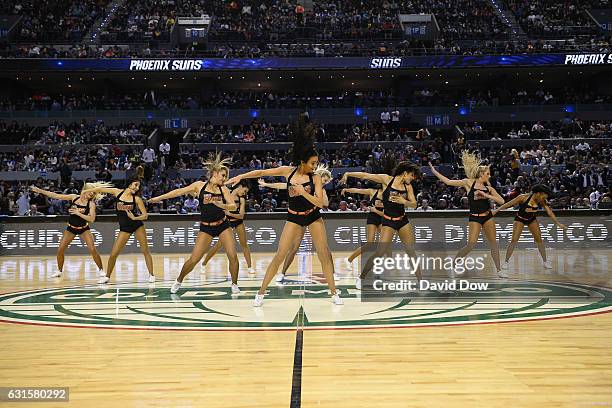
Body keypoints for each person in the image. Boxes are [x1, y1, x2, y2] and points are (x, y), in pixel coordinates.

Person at [226, 114, 342, 306]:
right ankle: (261, 293)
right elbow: (261, 172)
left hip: (313, 217)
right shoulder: (288, 171)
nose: (315, 166)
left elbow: (320, 203)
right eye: (313, 163)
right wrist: (240, 176)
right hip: (294, 217)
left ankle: (334, 293)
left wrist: (302, 192)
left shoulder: (315, 178)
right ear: (303, 161)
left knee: (323, 253)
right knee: (280, 254)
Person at [149, 153, 240, 294]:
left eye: (226, 177)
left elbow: (233, 206)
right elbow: (178, 192)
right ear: (215, 174)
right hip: (206, 227)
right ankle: (178, 280)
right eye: (223, 176)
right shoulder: (199, 186)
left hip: (223, 225)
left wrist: (222, 206)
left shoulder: (224, 189)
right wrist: (158, 198)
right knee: (194, 259)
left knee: (232, 255)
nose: (224, 179)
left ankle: (234, 284)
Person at [340, 156, 421, 289]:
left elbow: (414, 204)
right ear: (405, 173)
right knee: (379, 252)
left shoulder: (408, 187)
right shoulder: (386, 180)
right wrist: (349, 173)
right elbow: (366, 175)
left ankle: (420, 281)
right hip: (388, 221)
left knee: (411, 251)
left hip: (403, 221)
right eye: (412, 175)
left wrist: (404, 202)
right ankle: (362, 278)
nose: (412, 178)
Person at [429, 151, 506, 278]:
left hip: (487, 216)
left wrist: (485, 195)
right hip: (474, 217)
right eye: (487, 174)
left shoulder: (489, 188)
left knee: (493, 243)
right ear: (481, 174)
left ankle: (499, 270)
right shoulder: (468, 182)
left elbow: (502, 201)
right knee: (471, 244)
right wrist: (434, 172)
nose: (489, 176)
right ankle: (454, 263)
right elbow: (448, 182)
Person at [258, 164, 338, 282]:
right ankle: (282, 273)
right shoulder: (304, 183)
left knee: (324, 248)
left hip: (313, 217)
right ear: (319, 176)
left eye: (327, 182)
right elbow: (283, 185)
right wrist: (266, 184)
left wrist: (320, 189)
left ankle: (332, 272)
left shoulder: (321, 189)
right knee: (294, 247)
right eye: (324, 180)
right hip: (299, 217)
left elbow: (325, 203)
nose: (325, 183)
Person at [84, 166, 155, 284]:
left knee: (145, 251)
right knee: (113, 254)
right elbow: (103, 188)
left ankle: (151, 275)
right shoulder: (118, 192)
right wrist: (90, 189)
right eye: (135, 185)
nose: (137, 188)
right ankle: (107, 276)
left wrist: (135, 217)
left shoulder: (137, 199)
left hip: (137, 225)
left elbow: (145, 215)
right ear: (129, 184)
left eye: (138, 186)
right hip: (125, 228)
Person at [30, 182, 111, 278]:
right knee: (60, 250)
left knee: (93, 249)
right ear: (85, 189)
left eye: (93, 193)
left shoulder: (91, 204)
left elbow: (92, 219)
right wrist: (39, 190)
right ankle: (59, 271)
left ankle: (101, 269)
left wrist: (78, 213)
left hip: (84, 229)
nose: (91, 194)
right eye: (90, 192)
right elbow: (55, 195)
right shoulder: (74, 197)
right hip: (71, 228)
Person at [493, 184, 567, 270]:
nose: (544, 199)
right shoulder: (523, 197)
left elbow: (549, 212)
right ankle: (506, 262)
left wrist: (557, 223)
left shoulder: (541, 201)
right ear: (538, 193)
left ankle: (545, 262)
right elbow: (508, 204)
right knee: (514, 240)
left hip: (531, 219)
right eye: (543, 196)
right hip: (520, 219)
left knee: (539, 240)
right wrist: (496, 211)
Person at [201, 180, 255, 275]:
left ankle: (250, 267)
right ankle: (204, 263)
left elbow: (241, 216)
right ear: (240, 186)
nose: (244, 193)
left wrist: (229, 213)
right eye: (245, 191)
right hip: (227, 223)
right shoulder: (225, 194)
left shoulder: (241, 199)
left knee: (244, 244)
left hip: (238, 222)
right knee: (218, 245)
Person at [340, 186, 385, 271]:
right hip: (372, 218)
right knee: (369, 243)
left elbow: (385, 214)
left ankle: (380, 263)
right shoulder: (372, 191)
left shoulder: (388, 194)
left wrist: (374, 210)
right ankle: (349, 259)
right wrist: (346, 189)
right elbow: (358, 190)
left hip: (382, 218)